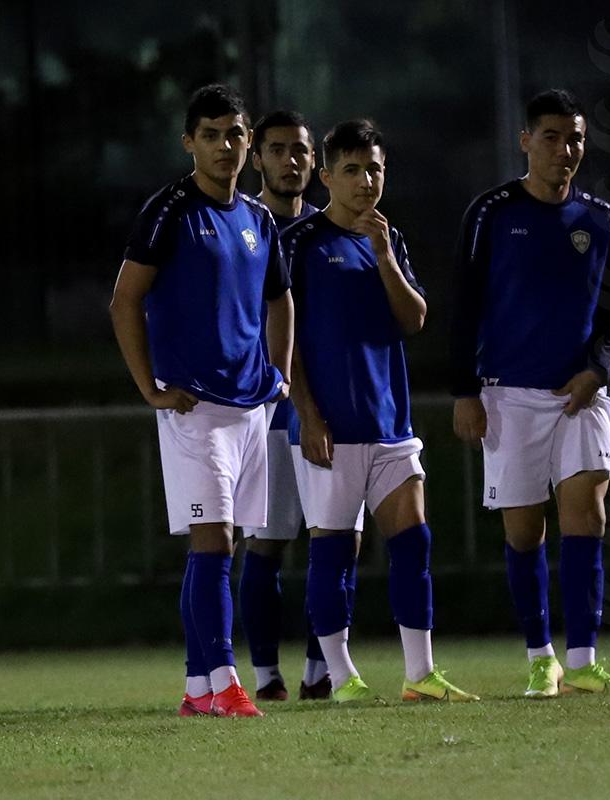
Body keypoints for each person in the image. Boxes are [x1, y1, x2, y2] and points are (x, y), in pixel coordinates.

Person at [450, 89, 610, 697]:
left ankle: (583, 659)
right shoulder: (491, 212)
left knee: (588, 514)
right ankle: (542, 657)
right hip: (508, 393)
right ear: (525, 141)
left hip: (579, 395)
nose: (565, 149)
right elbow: (464, 306)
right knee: (524, 531)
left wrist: (597, 370)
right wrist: (464, 391)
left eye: (575, 138)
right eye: (552, 137)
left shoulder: (601, 219)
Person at [110, 84, 292, 717]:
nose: (224, 146)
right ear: (189, 142)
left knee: (223, 544)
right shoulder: (169, 210)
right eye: (210, 135)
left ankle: (196, 689)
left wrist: (279, 373)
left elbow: (280, 298)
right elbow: (124, 299)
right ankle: (227, 683)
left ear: (249, 142)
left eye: (234, 134)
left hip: (250, 404)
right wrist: (150, 388)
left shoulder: (259, 219)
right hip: (194, 407)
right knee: (212, 542)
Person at [286, 119, 477, 703]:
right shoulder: (299, 242)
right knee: (333, 552)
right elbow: (280, 338)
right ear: (326, 178)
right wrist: (308, 415)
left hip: (389, 423)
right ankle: (341, 677)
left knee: (414, 542)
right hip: (330, 429)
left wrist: (384, 254)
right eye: (352, 170)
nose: (365, 181)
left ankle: (420, 674)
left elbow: (414, 318)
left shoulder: (387, 239)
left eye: (374, 170)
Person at [240, 110, 364, 702]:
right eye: (277, 149)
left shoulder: (327, 229)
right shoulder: (244, 226)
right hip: (268, 412)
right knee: (267, 540)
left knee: (339, 540)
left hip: (329, 411)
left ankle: (320, 668)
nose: (291, 161)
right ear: (257, 158)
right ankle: (266, 674)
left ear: (316, 162)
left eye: (301, 150)